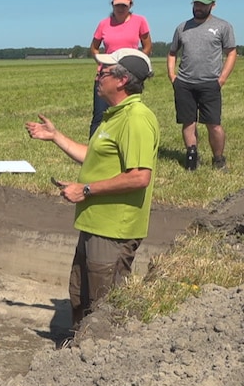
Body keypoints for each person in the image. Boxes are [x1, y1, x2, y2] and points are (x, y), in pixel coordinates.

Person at [25, 49, 159, 331]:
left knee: (103, 308)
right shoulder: (114, 116)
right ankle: (77, 356)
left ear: (122, 80)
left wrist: (85, 189)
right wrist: (55, 136)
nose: (98, 76)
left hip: (113, 232)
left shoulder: (136, 118)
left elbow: (139, 177)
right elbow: (93, 157)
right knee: (80, 298)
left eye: (104, 72)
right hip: (95, 225)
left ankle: (99, 361)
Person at [167, 0, 237, 171]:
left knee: (214, 124)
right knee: (188, 122)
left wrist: (222, 79)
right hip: (184, 83)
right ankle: (192, 157)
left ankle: (219, 159)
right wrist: (172, 76)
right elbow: (172, 52)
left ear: (212, 5)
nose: (198, 8)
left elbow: (231, 52)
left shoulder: (223, 26)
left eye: (203, 5)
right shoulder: (182, 27)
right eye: (196, 4)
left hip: (210, 83)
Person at [88, 0, 152, 137]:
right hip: (107, 73)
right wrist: (102, 62)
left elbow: (148, 46)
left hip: (128, 75)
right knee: (100, 115)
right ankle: (93, 150)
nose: (120, 8)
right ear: (112, 5)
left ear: (130, 5)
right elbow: (94, 48)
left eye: (124, 5)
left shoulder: (140, 21)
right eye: (117, 5)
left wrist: (137, 63)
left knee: (127, 114)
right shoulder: (104, 24)